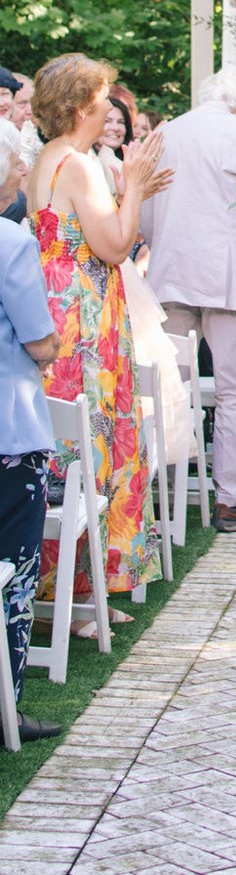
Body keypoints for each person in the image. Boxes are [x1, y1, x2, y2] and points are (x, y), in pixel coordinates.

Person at [26, 54, 167, 611]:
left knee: (66, 443)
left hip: (59, 305)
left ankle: (58, 589)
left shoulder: (48, 158)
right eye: (105, 94)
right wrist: (133, 185)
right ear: (84, 103)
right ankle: (77, 596)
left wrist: (134, 191)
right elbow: (112, 246)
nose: (111, 104)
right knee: (91, 443)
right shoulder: (80, 165)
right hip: (83, 319)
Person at [140, 66, 236, 534]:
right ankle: (232, 500)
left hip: (171, 273)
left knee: (167, 388)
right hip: (227, 278)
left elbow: (143, 213)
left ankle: (151, 496)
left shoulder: (165, 132)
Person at [0, 119, 62, 744]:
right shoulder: (10, 244)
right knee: (13, 576)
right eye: (16, 164)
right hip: (9, 438)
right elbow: (41, 341)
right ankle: (4, 709)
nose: (25, 171)